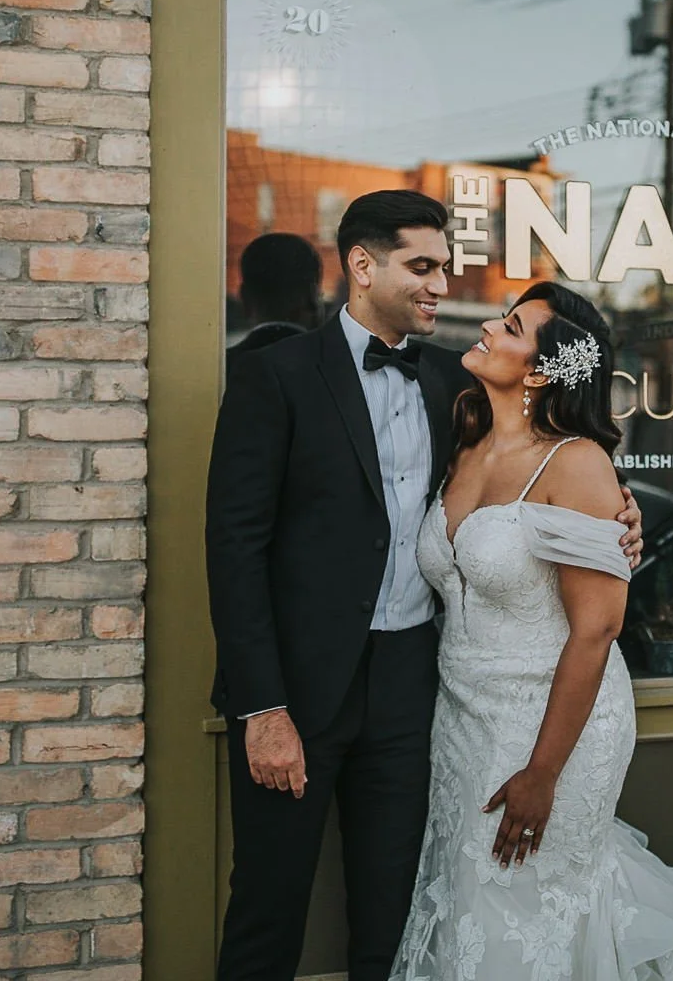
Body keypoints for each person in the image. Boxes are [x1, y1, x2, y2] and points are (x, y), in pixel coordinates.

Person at [205, 192, 642, 981]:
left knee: (397, 916)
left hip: (418, 694)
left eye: (446, 265)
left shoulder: (459, 384)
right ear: (362, 266)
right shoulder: (275, 378)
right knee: (267, 911)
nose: (442, 284)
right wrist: (261, 706)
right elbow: (234, 550)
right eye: (423, 266)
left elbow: (547, 472)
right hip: (297, 692)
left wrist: (620, 519)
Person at [391, 281, 673, 981]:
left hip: (554, 721)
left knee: (535, 904)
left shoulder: (577, 464)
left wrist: (543, 772)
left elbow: (596, 632)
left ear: (539, 371)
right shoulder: (463, 438)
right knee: (472, 898)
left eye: (508, 328)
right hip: (463, 716)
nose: (487, 330)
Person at [232, 231, 324, 354]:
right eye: (319, 295)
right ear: (312, 298)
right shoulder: (338, 367)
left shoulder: (220, 366)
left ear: (245, 298)